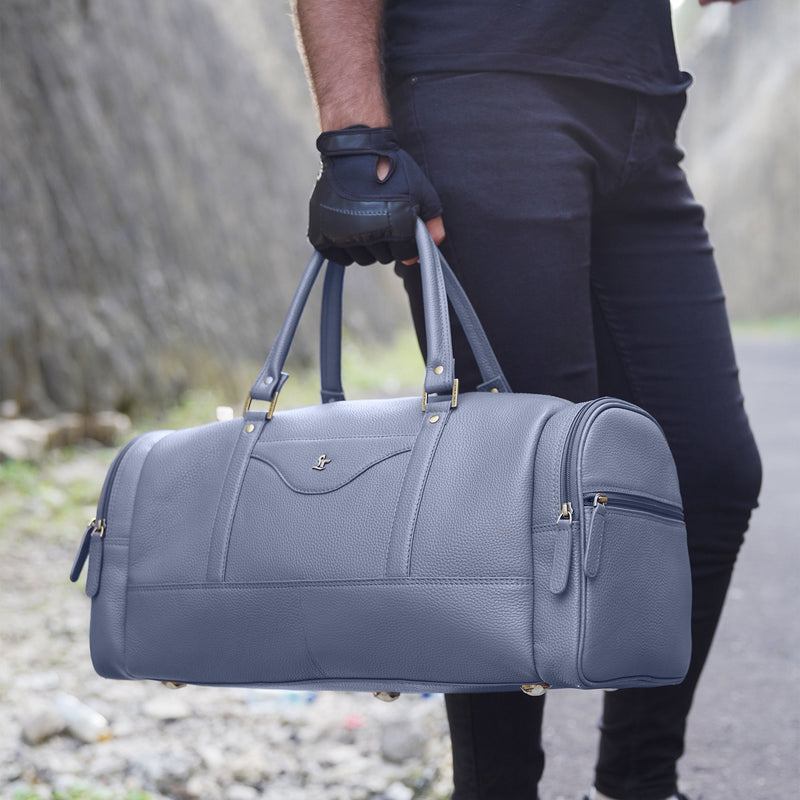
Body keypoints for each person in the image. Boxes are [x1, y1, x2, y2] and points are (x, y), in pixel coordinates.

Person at [291, 1, 762, 798]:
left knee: (708, 474)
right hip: (482, 90)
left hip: (639, 107)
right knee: (515, 497)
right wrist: (353, 132)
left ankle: (639, 784)